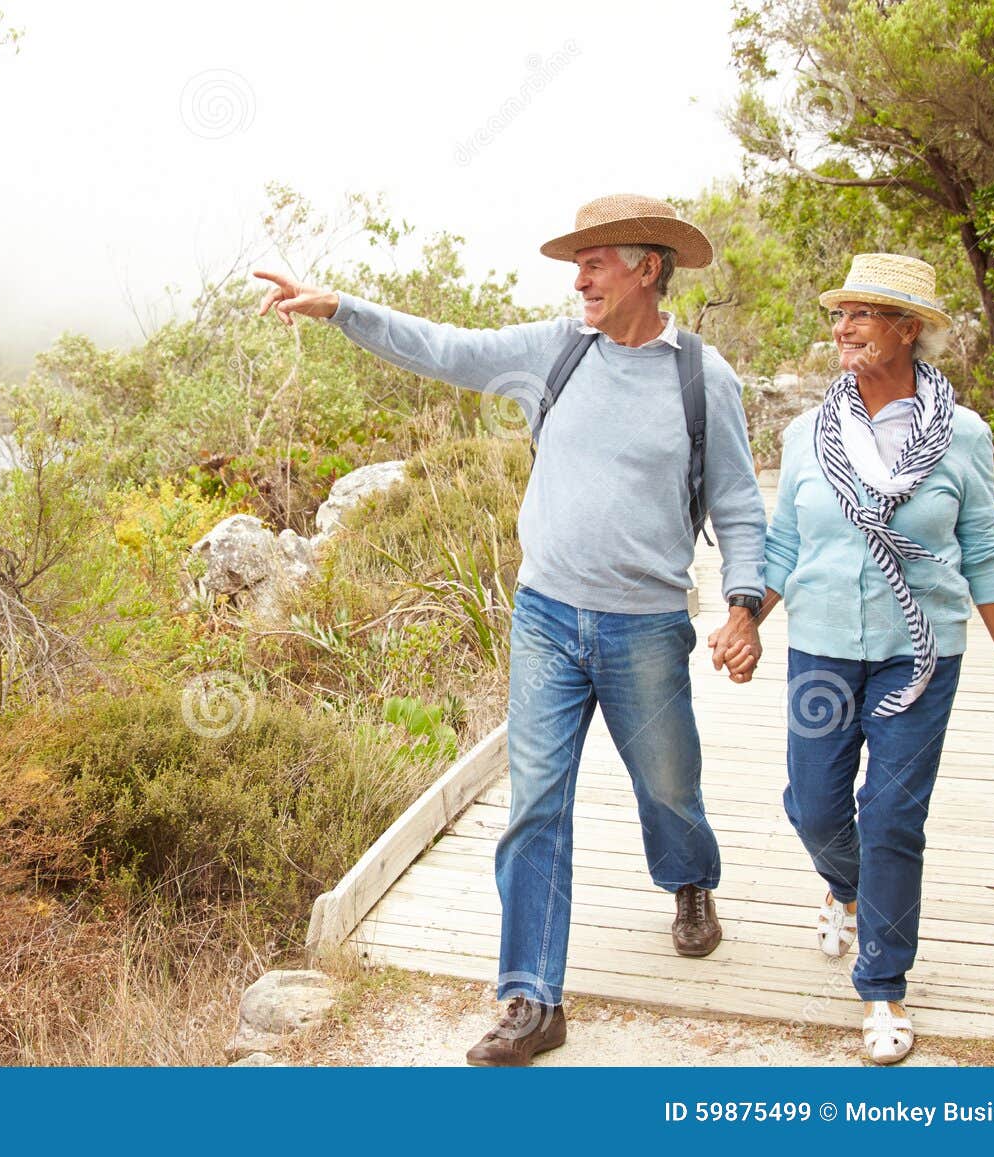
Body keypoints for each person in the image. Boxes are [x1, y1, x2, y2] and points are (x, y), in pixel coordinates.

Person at [255, 194, 768, 1066]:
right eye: (578, 265)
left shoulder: (701, 377)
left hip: (646, 626)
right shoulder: (555, 350)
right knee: (536, 802)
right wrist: (343, 308)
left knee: (669, 785)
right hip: (545, 618)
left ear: (648, 268)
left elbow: (740, 504)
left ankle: (689, 879)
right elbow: (448, 349)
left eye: (596, 262)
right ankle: (532, 998)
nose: (580, 279)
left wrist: (746, 605)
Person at [717, 252, 994, 1064]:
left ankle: (883, 987)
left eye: (862, 315)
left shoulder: (963, 435)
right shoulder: (810, 433)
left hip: (923, 654)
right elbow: (787, 543)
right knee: (814, 807)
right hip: (824, 651)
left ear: (908, 330)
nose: (842, 329)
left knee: (893, 817)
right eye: (838, 316)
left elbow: (983, 545)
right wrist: (747, 618)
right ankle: (847, 887)